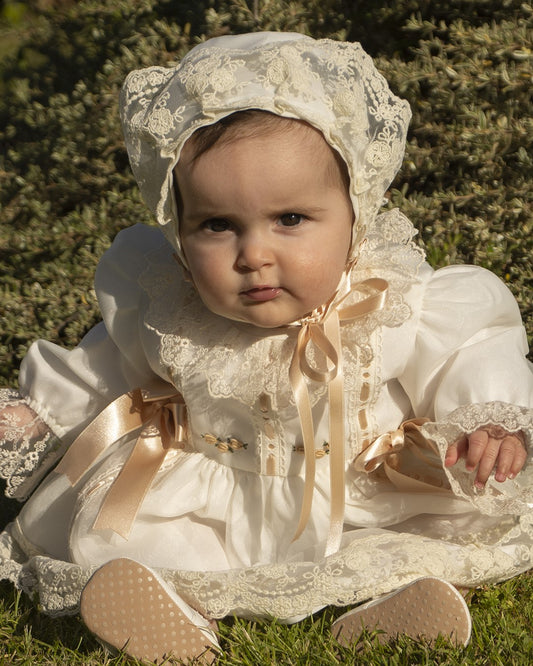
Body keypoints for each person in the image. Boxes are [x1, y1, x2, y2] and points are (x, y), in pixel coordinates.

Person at [1, 31, 532, 664]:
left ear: (355, 214)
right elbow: (94, 373)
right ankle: (173, 616)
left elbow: (472, 348)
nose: (254, 255)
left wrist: (494, 420)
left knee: (440, 524)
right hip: (215, 495)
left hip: (363, 491)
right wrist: (33, 415)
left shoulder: (394, 305)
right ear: (177, 233)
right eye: (217, 225)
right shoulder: (167, 309)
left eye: (291, 220)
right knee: (131, 538)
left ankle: (392, 606)